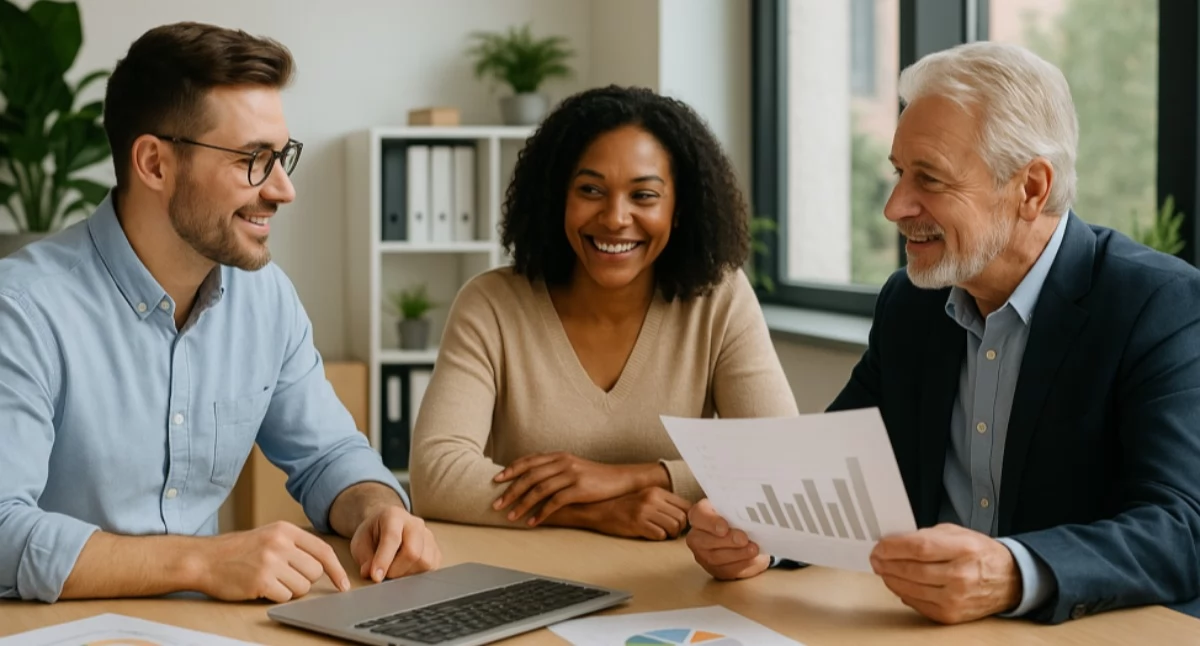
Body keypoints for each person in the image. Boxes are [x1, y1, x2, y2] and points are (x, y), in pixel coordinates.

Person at [685, 41, 1200, 625]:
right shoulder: (911, 304)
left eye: (928, 179)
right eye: (899, 173)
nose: (894, 207)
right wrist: (756, 534)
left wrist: (1013, 572)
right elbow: (829, 476)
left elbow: (1182, 526)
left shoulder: (1158, 305)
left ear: (1031, 188)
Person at [0, 22, 440, 605]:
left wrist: (378, 511)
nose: (282, 190)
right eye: (253, 159)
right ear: (154, 163)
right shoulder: (23, 309)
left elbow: (330, 455)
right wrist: (202, 561)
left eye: (281, 157)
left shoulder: (266, 298)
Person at [409, 86, 799, 540]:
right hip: (521, 573)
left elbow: (782, 460)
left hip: (673, 574)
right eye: (591, 190)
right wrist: (594, 511)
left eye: (644, 195)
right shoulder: (490, 305)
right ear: (558, 197)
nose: (615, 218)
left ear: (679, 209)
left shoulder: (719, 299)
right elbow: (435, 475)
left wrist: (637, 477)